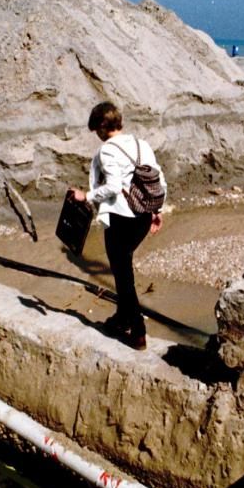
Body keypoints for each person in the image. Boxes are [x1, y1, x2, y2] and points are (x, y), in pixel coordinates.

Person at [69, 101, 165, 350]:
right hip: (142, 216)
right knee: (124, 266)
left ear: (102, 126)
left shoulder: (108, 151)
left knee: (123, 277)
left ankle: (138, 331)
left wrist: (85, 196)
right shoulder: (140, 144)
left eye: (96, 130)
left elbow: (112, 187)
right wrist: (156, 210)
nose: (97, 136)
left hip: (122, 218)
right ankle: (121, 319)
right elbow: (158, 178)